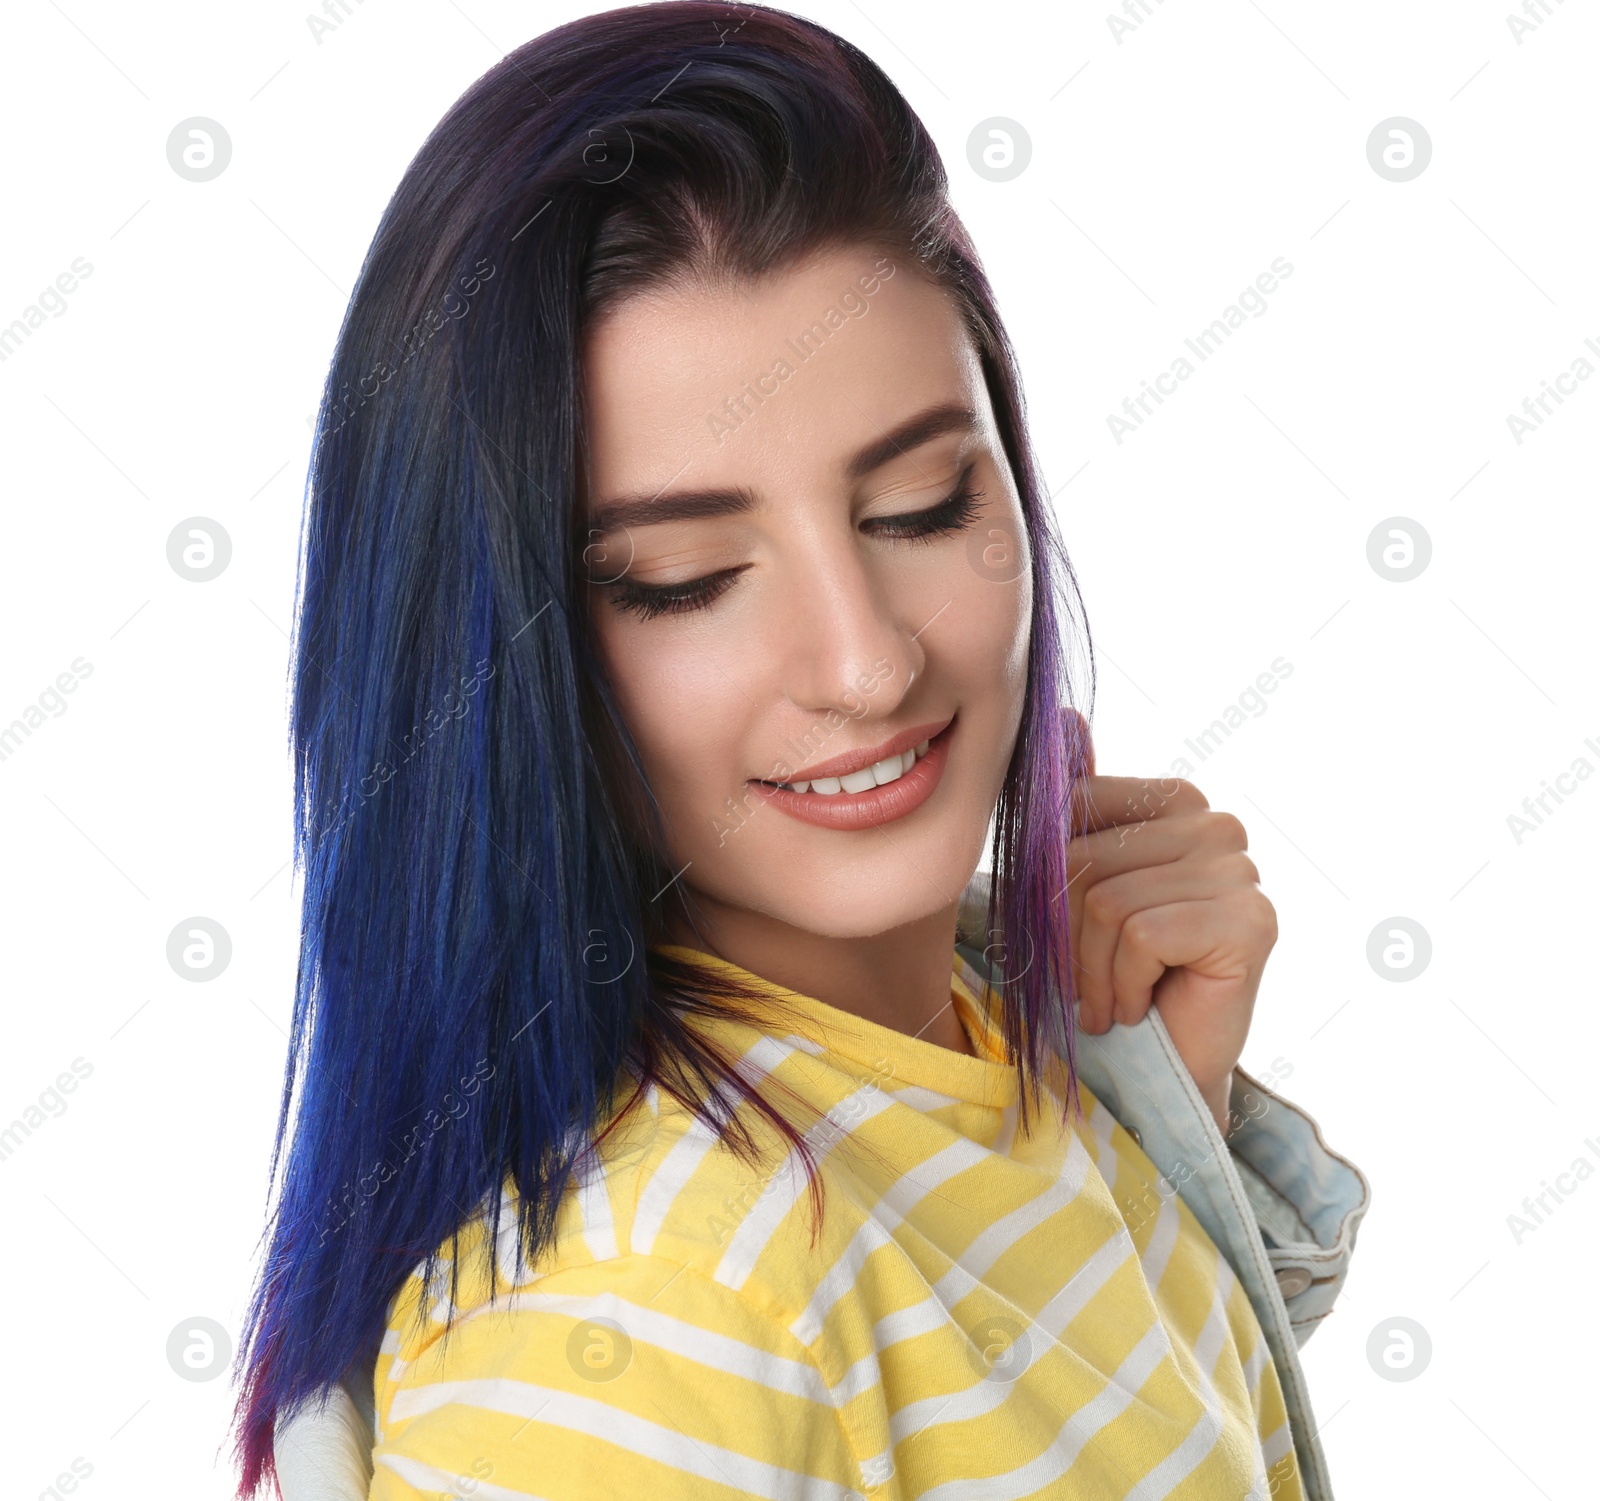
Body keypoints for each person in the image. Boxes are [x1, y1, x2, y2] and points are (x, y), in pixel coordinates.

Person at [235, 4, 1371, 1499]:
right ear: (496, 661)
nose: (868, 659)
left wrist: (1165, 1120)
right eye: (686, 577)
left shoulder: (994, 1029)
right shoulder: (655, 1311)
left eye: (917, 504)